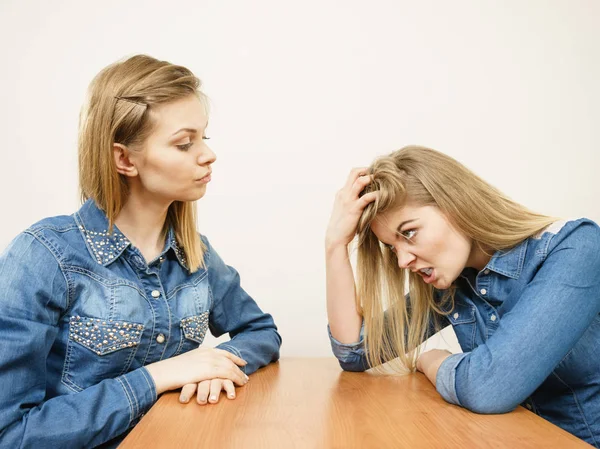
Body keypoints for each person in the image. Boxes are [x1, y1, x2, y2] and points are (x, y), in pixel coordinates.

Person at [0, 54, 281, 448]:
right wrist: (160, 375)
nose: (207, 154)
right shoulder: (43, 256)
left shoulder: (197, 255)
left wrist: (219, 365)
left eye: (204, 138)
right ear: (124, 158)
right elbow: (12, 435)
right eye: (184, 144)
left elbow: (261, 331)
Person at [325, 145, 600, 446]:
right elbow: (355, 351)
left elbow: (489, 388)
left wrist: (432, 360)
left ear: (455, 204)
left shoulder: (578, 248)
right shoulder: (454, 283)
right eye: (392, 247)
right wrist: (335, 245)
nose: (402, 261)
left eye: (409, 233)